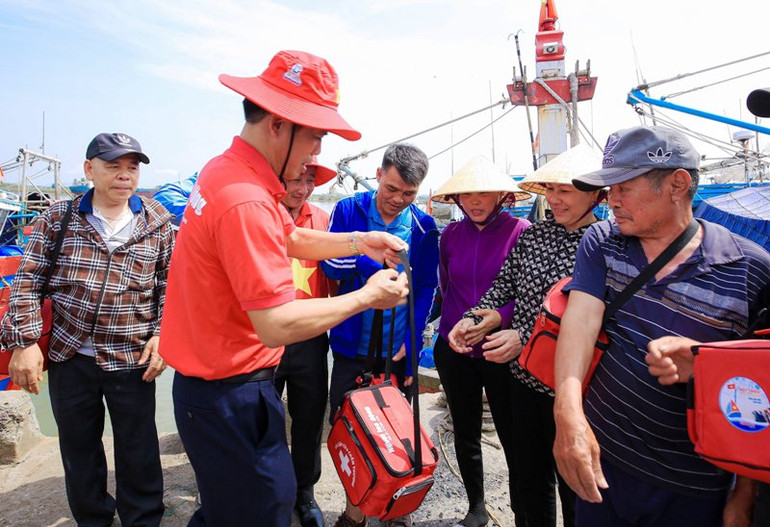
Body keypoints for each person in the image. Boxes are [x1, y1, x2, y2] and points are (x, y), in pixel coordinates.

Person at [158, 50, 410, 527]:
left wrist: (361, 240)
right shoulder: (248, 200)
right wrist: (367, 296)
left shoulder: (226, 169)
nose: (316, 154)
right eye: (314, 136)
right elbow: (274, 325)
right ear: (278, 123)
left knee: (232, 506)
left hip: (212, 385)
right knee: (263, 509)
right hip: (228, 392)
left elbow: (290, 237)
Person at [551, 126, 770, 527]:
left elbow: (762, 390)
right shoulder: (603, 240)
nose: (610, 200)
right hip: (602, 463)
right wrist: (568, 417)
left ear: (677, 183)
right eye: (608, 188)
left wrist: (745, 494)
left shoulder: (751, 270)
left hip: (693, 486)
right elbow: (579, 325)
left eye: (623, 187)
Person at [2, 132, 174, 527]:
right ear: (89, 169)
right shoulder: (57, 218)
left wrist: (163, 335)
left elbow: (171, 286)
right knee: (79, 448)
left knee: (138, 447)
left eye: (131, 168)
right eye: (113, 166)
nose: (124, 176)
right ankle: (94, 518)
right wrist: (24, 342)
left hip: (132, 356)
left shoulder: (157, 222)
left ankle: (142, 518)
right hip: (69, 355)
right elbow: (28, 281)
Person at [448, 144, 603, 527]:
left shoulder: (607, 244)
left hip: (580, 386)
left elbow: (597, 319)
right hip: (523, 378)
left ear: (597, 194)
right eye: (550, 190)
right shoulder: (534, 236)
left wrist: (521, 334)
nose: (554, 200)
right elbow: (504, 288)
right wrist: (472, 318)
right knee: (528, 476)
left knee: (577, 482)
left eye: (564, 191)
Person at [320, 143, 439, 527]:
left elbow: (424, 289)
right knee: (348, 427)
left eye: (408, 194)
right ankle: (355, 510)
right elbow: (333, 269)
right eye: (391, 189)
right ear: (378, 175)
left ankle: (393, 509)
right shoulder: (349, 211)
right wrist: (371, 256)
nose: (397, 201)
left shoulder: (423, 227)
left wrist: (414, 339)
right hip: (351, 344)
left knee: (394, 432)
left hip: (396, 350)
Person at [431, 155, 531, 527]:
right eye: (466, 194)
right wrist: (451, 328)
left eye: (484, 193)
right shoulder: (450, 235)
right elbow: (445, 286)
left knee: (513, 434)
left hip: (501, 349)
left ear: (501, 195)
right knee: (465, 429)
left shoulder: (521, 231)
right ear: (456, 199)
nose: (474, 201)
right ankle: (475, 507)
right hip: (454, 349)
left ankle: (524, 510)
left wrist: (498, 320)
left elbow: (528, 293)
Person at [275, 156, 338, 527]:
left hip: (311, 336)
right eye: (293, 180)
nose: (301, 189)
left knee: (310, 417)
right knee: (260, 419)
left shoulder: (322, 219)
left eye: (309, 181)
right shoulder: (259, 216)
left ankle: (305, 492)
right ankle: (269, 489)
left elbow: (333, 276)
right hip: (264, 337)